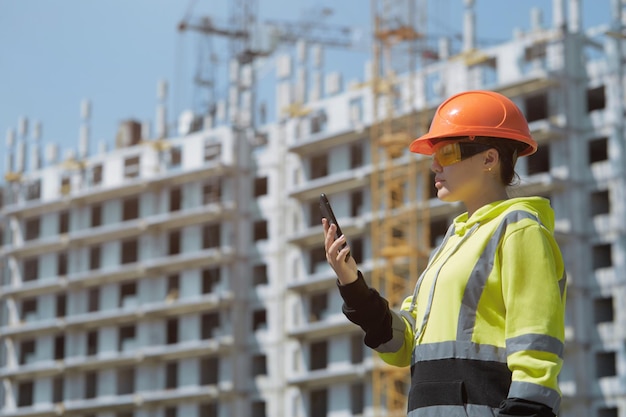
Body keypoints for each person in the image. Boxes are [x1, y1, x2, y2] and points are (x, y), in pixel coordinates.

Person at [322, 90, 566, 417]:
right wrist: (352, 283)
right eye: (434, 154)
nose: (435, 165)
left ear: (489, 159)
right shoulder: (450, 245)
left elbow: (536, 346)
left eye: (447, 152)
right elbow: (402, 345)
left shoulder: (520, 231)